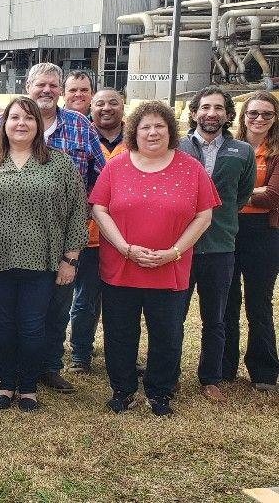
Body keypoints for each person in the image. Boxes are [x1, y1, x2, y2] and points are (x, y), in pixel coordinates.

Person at [0, 63, 105, 395]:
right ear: (3, 124)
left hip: (45, 257)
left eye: (28, 119)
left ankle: (37, 378)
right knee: (3, 324)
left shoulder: (65, 153)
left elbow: (81, 205)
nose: (21, 123)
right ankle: (6, 383)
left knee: (41, 322)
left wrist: (71, 258)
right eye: (15, 118)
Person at [91, 101, 219, 416]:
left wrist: (174, 252)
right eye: (145, 126)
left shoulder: (191, 168)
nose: (152, 132)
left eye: (159, 126)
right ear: (134, 131)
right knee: (120, 332)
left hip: (170, 267)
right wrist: (124, 247)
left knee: (168, 332)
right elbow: (99, 209)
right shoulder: (116, 166)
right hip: (122, 265)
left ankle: (160, 392)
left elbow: (204, 216)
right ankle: (122, 390)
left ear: (170, 130)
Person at [179, 86, 256, 403]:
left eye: (219, 108)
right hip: (180, 246)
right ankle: (167, 374)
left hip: (220, 247)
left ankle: (211, 378)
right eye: (205, 107)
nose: (212, 114)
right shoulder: (177, 146)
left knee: (216, 318)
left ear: (227, 115)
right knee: (173, 316)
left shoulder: (242, 151)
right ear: (195, 112)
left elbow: (241, 196)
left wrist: (217, 219)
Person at [68, 87, 127, 373]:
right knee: (85, 299)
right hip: (89, 236)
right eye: (100, 103)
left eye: (113, 103)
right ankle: (80, 353)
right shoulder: (84, 137)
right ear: (91, 108)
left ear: (123, 106)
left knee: (121, 302)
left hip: (125, 237)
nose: (106, 108)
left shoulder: (137, 140)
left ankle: (121, 352)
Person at [224, 91, 279, 391]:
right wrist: (249, 193)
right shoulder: (231, 148)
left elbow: (273, 197)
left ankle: (264, 371)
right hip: (229, 230)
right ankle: (223, 367)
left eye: (266, 114)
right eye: (253, 113)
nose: (259, 119)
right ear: (243, 116)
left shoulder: (276, 152)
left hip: (264, 233)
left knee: (258, 303)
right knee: (226, 302)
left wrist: (233, 193)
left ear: (275, 119)